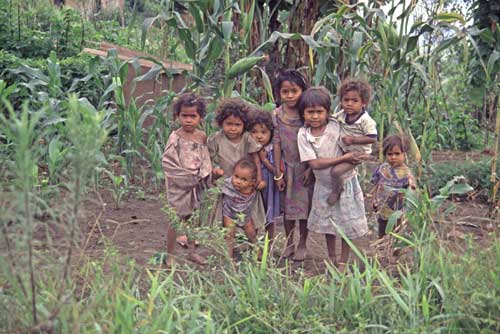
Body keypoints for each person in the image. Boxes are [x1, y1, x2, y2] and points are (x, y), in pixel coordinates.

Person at [297, 87, 368, 272]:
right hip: (324, 186)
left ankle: (343, 262)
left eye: (319, 112)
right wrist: (343, 159)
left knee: (345, 225)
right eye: (310, 112)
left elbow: (357, 125)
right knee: (329, 225)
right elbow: (315, 164)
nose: (315, 116)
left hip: (346, 182)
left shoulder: (336, 126)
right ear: (303, 113)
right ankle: (332, 257)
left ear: (327, 112)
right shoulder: (303, 135)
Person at [162, 92, 212, 265]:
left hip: (196, 185)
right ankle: (170, 255)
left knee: (193, 219)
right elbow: (169, 162)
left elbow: (206, 159)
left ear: (200, 117)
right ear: (177, 116)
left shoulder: (202, 137)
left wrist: (203, 175)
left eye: (193, 116)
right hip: (179, 185)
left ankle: (192, 252)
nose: (188, 120)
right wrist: (185, 178)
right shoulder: (175, 137)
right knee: (176, 220)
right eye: (184, 116)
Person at [272, 69, 314, 261]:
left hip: (305, 168)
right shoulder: (277, 115)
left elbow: (315, 142)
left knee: (304, 210)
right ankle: (289, 243)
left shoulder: (308, 114)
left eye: (294, 91)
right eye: (285, 92)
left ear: (302, 91)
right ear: (279, 94)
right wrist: (278, 171)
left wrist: (310, 169)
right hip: (286, 167)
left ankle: (303, 243)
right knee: (288, 210)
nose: (289, 96)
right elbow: (277, 142)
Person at [207, 98, 266, 230]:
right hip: (226, 183)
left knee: (250, 218)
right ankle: (228, 244)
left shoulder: (246, 138)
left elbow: (256, 158)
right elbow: (209, 159)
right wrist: (215, 171)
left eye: (237, 125)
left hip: (246, 183)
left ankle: (251, 245)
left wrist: (259, 178)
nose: (233, 128)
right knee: (225, 216)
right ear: (221, 122)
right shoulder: (216, 139)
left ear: (244, 124)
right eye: (229, 124)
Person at [328, 79, 377, 205]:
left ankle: (336, 191)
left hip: (358, 153)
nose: (349, 104)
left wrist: (354, 140)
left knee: (336, 171)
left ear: (364, 103)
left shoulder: (366, 120)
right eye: (346, 100)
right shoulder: (343, 114)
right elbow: (332, 119)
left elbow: (372, 137)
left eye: (354, 101)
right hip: (345, 150)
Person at [371, 134, 416, 238]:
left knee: (397, 233)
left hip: (398, 211)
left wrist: (410, 189)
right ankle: (382, 251)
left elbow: (412, 190)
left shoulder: (407, 173)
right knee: (382, 231)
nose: (393, 157)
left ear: (404, 154)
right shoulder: (382, 169)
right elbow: (376, 185)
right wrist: (374, 199)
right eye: (389, 154)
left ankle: (395, 253)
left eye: (397, 154)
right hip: (383, 208)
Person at [249, 109, 280, 241]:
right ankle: (253, 243)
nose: (259, 136)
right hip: (252, 186)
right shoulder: (248, 148)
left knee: (269, 215)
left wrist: (265, 160)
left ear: (271, 133)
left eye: (263, 132)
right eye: (254, 132)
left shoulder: (273, 149)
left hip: (268, 186)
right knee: (253, 214)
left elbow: (276, 170)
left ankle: (270, 242)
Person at [221, 158, 261, 259]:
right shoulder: (228, 184)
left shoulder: (253, 187)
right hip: (229, 213)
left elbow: (262, 185)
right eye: (236, 176)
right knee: (229, 235)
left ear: (252, 182)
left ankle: (259, 255)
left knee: (252, 234)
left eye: (244, 179)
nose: (238, 181)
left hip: (245, 215)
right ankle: (229, 259)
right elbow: (216, 184)